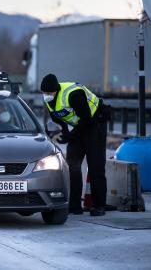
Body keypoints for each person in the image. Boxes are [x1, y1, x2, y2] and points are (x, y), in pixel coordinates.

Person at [40, 74, 109, 216]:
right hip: (79, 127)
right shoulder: (48, 99)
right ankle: (74, 205)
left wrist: (71, 135)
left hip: (95, 124)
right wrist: (64, 135)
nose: (46, 96)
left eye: (49, 93)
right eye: (44, 93)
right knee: (73, 166)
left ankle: (99, 205)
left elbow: (86, 119)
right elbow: (59, 120)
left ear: (56, 90)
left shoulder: (73, 94)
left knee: (95, 165)